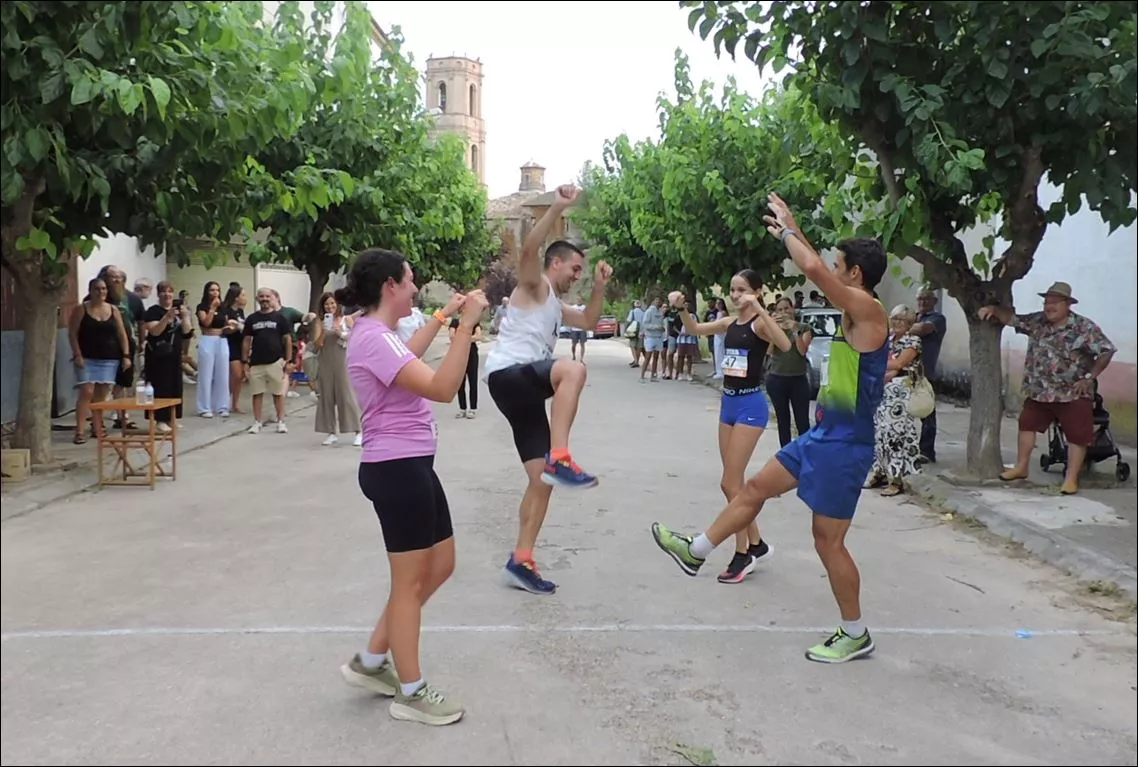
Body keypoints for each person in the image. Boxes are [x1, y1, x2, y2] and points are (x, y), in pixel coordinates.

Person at [651, 192, 889, 664]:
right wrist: (795, 226)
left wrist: (785, 232)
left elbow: (814, 271)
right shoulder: (854, 306)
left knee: (828, 542)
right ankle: (697, 550)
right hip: (823, 435)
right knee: (754, 487)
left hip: (846, 445)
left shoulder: (868, 310)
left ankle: (855, 631)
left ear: (855, 275)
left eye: (839, 265)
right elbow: (820, 270)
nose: (831, 270)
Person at [338, 248, 488, 727]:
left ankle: (372, 661)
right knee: (408, 584)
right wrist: (466, 327)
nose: (416, 289)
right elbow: (444, 388)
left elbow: (411, 354)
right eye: (411, 281)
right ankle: (412, 692)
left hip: (413, 464)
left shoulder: (382, 335)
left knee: (440, 566)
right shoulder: (372, 339)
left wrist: (445, 316)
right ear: (390, 287)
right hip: (395, 468)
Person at [484, 184, 613, 595]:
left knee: (540, 483)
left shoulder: (555, 303)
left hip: (519, 389)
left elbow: (591, 322)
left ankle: (521, 560)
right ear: (555, 264)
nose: (577, 275)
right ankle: (560, 455)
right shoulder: (535, 284)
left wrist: (597, 286)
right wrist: (558, 205)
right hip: (510, 374)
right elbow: (529, 250)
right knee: (573, 370)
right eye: (575, 269)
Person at [672, 272, 792, 583]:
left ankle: (744, 553)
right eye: (733, 290)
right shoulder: (729, 323)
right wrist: (682, 307)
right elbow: (695, 328)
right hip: (728, 402)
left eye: (743, 291)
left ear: (756, 292)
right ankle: (757, 543)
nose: (736, 295)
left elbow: (785, 343)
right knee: (731, 483)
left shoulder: (759, 325)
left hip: (751, 406)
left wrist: (762, 307)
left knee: (730, 482)